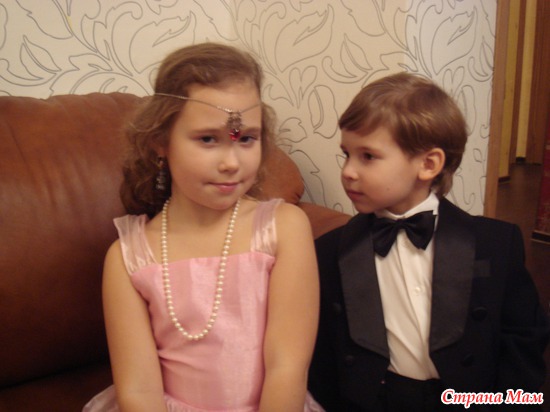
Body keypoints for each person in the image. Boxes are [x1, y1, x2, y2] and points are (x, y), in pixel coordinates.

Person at [83, 42, 323, 412]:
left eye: (246, 138)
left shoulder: (284, 228)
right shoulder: (128, 258)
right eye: (208, 139)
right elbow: (139, 390)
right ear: (160, 142)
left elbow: (287, 366)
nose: (231, 163)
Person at [308, 72, 549, 411]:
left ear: (428, 164)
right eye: (346, 154)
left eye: (368, 156)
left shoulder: (495, 243)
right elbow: (322, 349)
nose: (348, 170)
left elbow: (523, 336)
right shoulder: (330, 250)